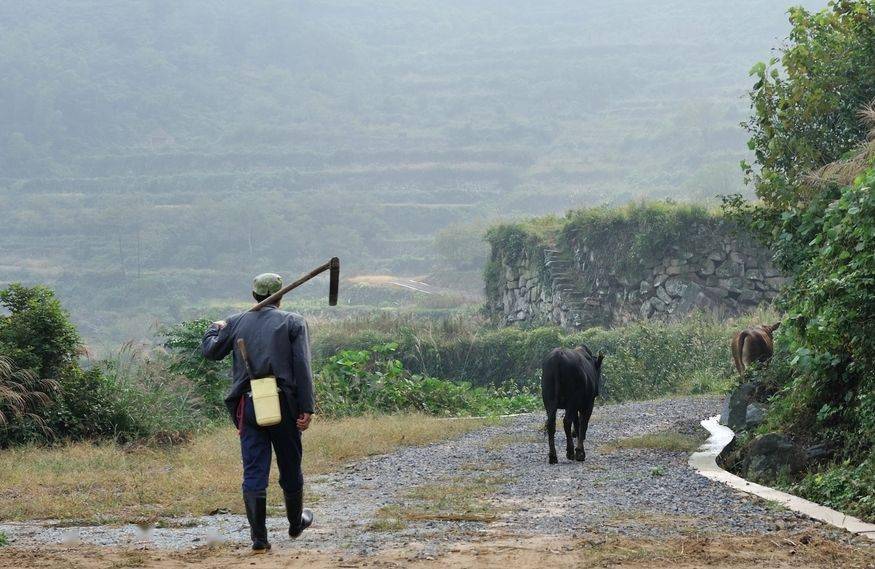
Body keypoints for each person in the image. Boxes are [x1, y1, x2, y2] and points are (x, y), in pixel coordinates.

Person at [201, 272, 315, 552]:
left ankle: (259, 538)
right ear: (281, 295)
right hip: (284, 404)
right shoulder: (293, 321)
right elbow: (302, 366)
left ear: (254, 295)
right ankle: (294, 523)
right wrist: (307, 406)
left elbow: (211, 351)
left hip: (249, 405)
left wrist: (213, 329)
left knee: (254, 468)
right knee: (290, 463)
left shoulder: (237, 321)